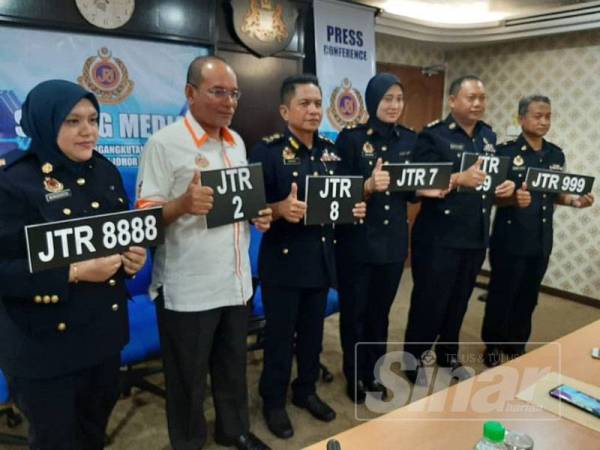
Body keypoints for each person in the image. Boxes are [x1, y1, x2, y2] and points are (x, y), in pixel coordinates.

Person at [0, 79, 147, 450]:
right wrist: (75, 271)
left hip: (103, 338)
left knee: (94, 434)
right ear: (45, 123)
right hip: (44, 348)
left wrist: (132, 258)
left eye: (93, 119)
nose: (88, 131)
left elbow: (118, 236)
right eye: (72, 121)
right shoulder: (13, 181)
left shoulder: (105, 171)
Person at [135, 56, 271, 450]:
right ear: (190, 93)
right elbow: (143, 218)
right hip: (188, 288)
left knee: (232, 367)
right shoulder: (165, 143)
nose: (229, 102)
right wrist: (181, 205)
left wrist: (257, 214)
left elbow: (238, 204)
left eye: (234, 93)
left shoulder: (237, 141)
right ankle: (189, 443)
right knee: (187, 379)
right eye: (217, 92)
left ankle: (235, 431)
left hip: (235, 280)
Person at [249, 74, 366, 439]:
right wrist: (280, 208)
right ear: (285, 110)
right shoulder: (266, 151)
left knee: (313, 337)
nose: (314, 110)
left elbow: (336, 202)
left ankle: (305, 391)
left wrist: (353, 209)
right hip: (283, 262)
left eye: (317, 104)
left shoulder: (330, 152)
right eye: (305, 103)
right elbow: (252, 209)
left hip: (320, 260)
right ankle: (273, 401)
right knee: (281, 339)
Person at [403, 75, 515, 385]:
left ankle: (447, 353)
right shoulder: (433, 137)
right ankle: (413, 358)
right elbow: (415, 184)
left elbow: (488, 182)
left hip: (475, 234)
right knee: (429, 299)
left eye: (482, 98)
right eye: (471, 97)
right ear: (453, 101)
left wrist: (503, 187)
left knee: (459, 299)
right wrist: (456, 179)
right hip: (438, 237)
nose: (478, 103)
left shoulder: (488, 137)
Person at [481, 95, 594, 367]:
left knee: (529, 295)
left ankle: (515, 343)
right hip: (510, 237)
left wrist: (574, 201)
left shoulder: (556, 154)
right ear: (521, 119)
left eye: (548, 116)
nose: (544, 121)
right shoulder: (504, 152)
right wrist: (510, 199)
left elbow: (556, 194)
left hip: (542, 238)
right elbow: (488, 195)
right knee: (502, 293)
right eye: (537, 116)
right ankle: (492, 345)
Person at [334, 73, 417, 403]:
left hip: (393, 243)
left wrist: (432, 185)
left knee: (380, 314)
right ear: (372, 102)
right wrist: (367, 186)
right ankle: (353, 375)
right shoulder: (351, 140)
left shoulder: (410, 140)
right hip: (357, 242)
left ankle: (372, 372)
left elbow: (411, 191)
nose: (394, 105)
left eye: (398, 98)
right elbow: (337, 193)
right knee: (355, 312)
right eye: (387, 99)